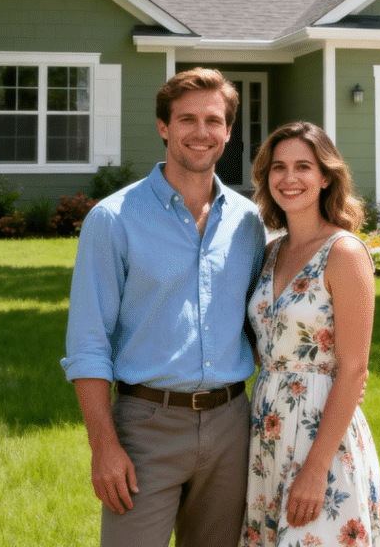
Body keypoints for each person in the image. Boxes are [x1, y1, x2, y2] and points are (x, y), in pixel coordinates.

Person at [62, 67, 266, 547]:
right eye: (187, 119)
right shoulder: (113, 219)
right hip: (146, 426)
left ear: (228, 131)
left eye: (213, 120)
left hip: (232, 424)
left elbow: (261, 322)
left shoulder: (248, 222)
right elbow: (88, 344)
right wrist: (103, 446)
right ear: (163, 127)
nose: (201, 132)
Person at [241, 121, 380, 547]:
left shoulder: (344, 253)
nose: (289, 178)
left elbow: (354, 369)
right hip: (267, 429)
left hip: (321, 434)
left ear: (326, 177)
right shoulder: (271, 252)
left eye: (303, 167)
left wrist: (315, 468)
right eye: (278, 167)